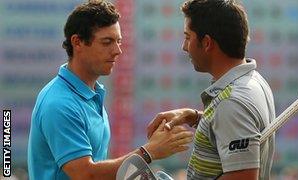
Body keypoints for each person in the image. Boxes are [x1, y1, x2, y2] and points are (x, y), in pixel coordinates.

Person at [27, 1, 194, 179]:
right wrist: (149, 152)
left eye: (119, 41)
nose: (118, 51)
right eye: (107, 42)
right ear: (77, 42)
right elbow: (85, 174)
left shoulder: (91, 94)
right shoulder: (59, 103)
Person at [148, 0, 275, 179]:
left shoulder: (232, 102)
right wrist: (194, 116)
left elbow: (242, 177)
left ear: (207, 43)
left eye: (187, 37)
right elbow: (231, 129)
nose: (184, 47)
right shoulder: (253, 80)